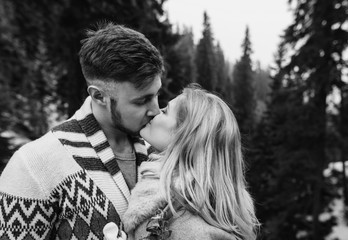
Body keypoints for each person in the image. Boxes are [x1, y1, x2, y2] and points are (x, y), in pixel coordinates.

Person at [0, 22, 163, 239]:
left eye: (156, 94)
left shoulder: (161, 155)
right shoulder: (35, 165)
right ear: (98, 96)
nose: (156, 110)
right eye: (142, 101)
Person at [117, 85, 259, 240]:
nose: (155, 112)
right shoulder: (180, 202)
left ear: (186, 137)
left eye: (165, 111)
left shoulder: (190, 229)